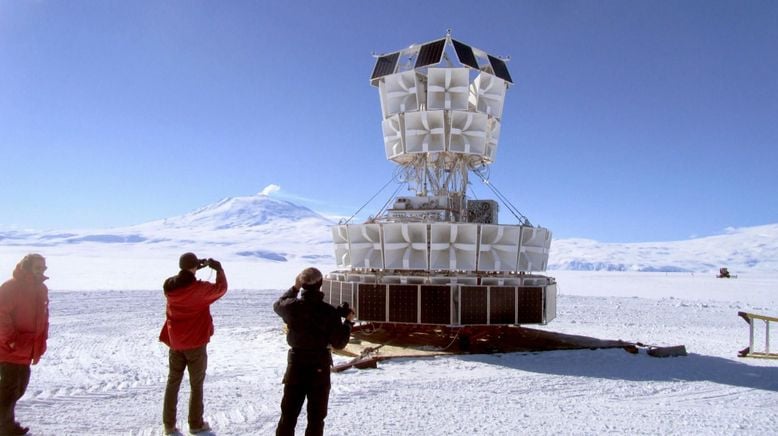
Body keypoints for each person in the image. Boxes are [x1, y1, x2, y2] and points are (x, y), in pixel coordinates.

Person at [273, 267, 355, 436]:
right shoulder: (329, 312)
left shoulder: (291, 307)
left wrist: (294, 288)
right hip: (319, 365)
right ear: (321, 284)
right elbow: (339, 343)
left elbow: (278, 304)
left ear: (302, 284)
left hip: (296, 364)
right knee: (316, 418)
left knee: (288, 415)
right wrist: (348, 323)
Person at [160, 252, 227, 436]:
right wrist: (219, 270)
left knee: (173, 382)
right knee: (196, 384)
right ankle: (196, 424)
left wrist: (193, 268)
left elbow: (183, 279)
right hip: (195, 343)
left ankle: (169, 425)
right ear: (194, 266)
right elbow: (221, 289)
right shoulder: (199, 289)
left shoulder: (169, 286)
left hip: (175, 342)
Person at [0, 254, 49, 436]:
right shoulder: (11, 288)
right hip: (9, 349)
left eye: (43, 268)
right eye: (38, 267)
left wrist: (40, 343)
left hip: (27, 349)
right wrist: (11, 340)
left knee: (18, 389)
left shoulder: (41, 289)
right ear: (26, 267)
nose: (42, 271)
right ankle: (5, 429)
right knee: (8, 392)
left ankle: (7, 425)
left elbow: (43, 318)